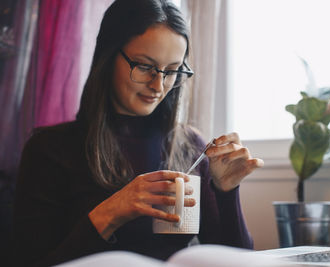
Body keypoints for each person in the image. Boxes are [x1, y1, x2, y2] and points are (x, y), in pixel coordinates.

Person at [12, 0, 264, 266]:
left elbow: (236, 259)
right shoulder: (49, 150)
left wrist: (226, 192)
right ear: (108, 57)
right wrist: (111, 213)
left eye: (172, 71)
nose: (158, 85)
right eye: (144, 66)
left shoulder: (189, 147)